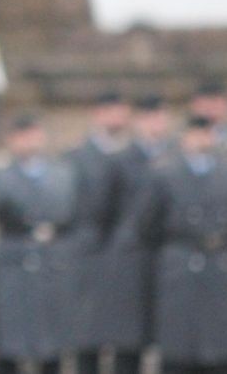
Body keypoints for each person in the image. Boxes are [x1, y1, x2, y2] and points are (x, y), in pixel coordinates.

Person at [137, 115, 227, 374]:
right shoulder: (165, 173)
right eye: (196, 134)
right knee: (180, 345)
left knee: (219, 346)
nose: (202, 140)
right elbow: (147, 224)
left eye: (207, 134)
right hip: (181, 262)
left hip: (218, 261)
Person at [0, 113, 78, 374]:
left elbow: (69, 213)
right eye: (21, 136)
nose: (29, 142)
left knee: (51, 347)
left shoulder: (62, 173)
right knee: (8, 347)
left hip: (51, 264)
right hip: (12, 264)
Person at [97, 94, 173, 374]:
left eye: (161, 117)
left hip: (165, 260)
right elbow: (105, 213)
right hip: (131, 261)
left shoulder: (174, 157)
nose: (157, 124)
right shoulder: (121, 161)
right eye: (150, 117)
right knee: (128, 345)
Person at [67, 91, 128, 374]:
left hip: (122, 255)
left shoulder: (129, 155)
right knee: (87, 339)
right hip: (88, 255)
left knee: (124, 341)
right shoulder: (78, 157)